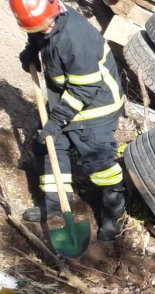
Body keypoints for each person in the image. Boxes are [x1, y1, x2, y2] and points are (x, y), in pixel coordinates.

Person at [13, 0, 127, 242]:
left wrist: (55, 121)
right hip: (67, 97)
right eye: (36, 28)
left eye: (45, 26)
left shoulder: (75, 38)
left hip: (96, 106)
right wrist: (32, 47)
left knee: (100, 166)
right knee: (49, 145)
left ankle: (114, 216)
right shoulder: (48, 17)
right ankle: (55, 202)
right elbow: (40, 32)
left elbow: (85, 89)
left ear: (54, 11)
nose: (43, 29)